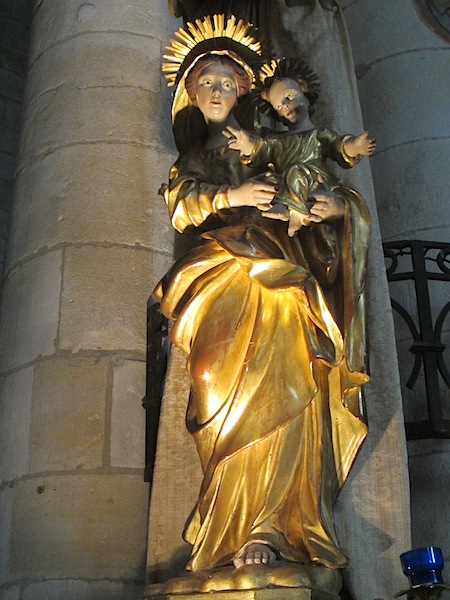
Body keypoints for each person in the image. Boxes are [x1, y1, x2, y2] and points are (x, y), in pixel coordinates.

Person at [154, 17, 371, 574]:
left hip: (279, 270)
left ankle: (269, 523)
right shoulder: (193, 159)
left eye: (228, 83)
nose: (217, 91)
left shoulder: (268, 145)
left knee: (284, 382)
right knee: (212, 383)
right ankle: (226, 518)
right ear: (191, 95)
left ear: (245, 92)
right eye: (207, 83)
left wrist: (337, 209)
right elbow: (182, 205)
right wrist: (234, 195)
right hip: (218, 274)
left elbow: (317, 178)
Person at [223, 65, 376, 237]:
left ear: (304, 90)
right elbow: (263, 148)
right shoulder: (278, 141)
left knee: (296, 172)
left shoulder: (319, 135)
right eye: (278, 106)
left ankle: (295, 213)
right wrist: (247, 145)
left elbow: (337, 146)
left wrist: (355, 146)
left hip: (313, 182)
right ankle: (287, 208)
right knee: (265, 182)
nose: (285, 105)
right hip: (286, 184)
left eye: (289, 96)